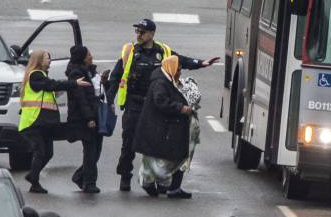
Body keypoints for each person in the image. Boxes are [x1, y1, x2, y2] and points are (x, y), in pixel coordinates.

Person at [107, 18, 218, 191]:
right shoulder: (131, 52)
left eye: (142, 32)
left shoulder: (163, 51)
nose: (138, 35)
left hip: (153, 107)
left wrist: (201, 63)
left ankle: (154, 179)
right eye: (137, 32)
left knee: (154, 144)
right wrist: (109, 101)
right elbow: (115, 78)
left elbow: (180, 60)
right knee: (128, 142)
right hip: (134, 104)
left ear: (151, 34)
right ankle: (125, 176)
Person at [18, 50, 90, 193]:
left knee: (48, 153)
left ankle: (33, 176)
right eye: (47, 58)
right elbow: (51, 85)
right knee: (40, 151)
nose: (50, 61)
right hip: (33, 122)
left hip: (43, 124)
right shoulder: (35, 76)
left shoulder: (41, 75)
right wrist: (73, 83)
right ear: (39, 60)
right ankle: (34, 181)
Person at [132, 56, 200, 199]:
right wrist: (180, 108)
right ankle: (163, 186)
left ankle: (165, 186)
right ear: (171, 68)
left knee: (173, 159)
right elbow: (160, 101)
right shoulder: (161, 83)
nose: (179, 73)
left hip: (164, 129)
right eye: (178, 70)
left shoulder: (166, 80)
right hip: (161, 130)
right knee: (169, 160)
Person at [65, 45, 103, 194]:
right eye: (88, 55)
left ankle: (81, 176)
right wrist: (89, 118)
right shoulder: (76, 73)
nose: (91, 57)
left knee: (96, 150)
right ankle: (89, 182)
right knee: (91, 151)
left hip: (93, 114)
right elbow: (81, 98)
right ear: (82, 57)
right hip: (84, 118)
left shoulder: (87, 71)